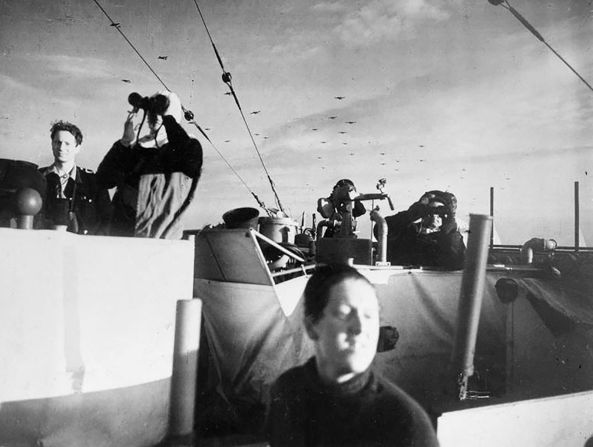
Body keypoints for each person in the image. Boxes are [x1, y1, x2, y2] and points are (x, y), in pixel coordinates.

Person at [266, 263, 439, 447]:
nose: (359, 328)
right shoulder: (287, 391)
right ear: (311, 327)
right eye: (344, 313)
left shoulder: (405, 422)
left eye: (369, 315)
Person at [96, 90, 202, 239]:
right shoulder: (138, 147)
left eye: (159, 111)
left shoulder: (187, 146)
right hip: (122, 236)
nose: (154, 116)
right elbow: (103, 180)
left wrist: (167, 118)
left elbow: (188, 162)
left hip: (159, 240)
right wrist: (123, 144)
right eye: (151, 112)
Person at [38, 121, 111, 234]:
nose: (61, 147)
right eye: (58, 142)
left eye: (67, 143)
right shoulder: (37, 177)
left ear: (77, 148)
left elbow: (107, 221)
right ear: (52, 144)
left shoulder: (94, 181)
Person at [379, 190, 465, 269]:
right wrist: (410, 215)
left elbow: (457, 259)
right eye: (429, 211)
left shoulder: (450, 237)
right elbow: (380, 230)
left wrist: (449, 224)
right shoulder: (409, 232)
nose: (434, 216)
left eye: (440, 211)